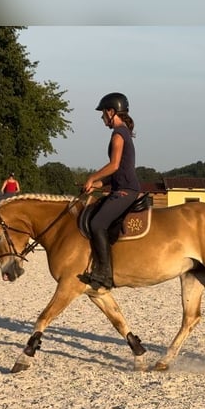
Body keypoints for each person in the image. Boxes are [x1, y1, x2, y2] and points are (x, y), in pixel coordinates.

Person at [78, 92, 141, 290]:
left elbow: (114, 165)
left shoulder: (118, 134)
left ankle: (104, 274)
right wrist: (95, 185)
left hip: (125, 190)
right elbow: (116, 171)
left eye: (103, 112)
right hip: (120, 186)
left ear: (112, 111)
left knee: (97, 224)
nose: (102, 117)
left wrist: (92, 177)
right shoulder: (123, 133)